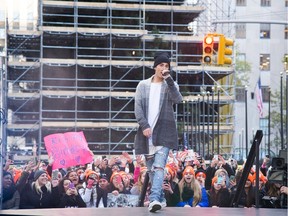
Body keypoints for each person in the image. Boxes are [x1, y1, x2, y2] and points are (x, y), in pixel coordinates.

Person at [134, 51, 183, 212]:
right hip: (146, 134)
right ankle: (160, 199)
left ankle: (154, 198)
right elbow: (138, 108)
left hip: (165, 132)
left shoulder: (170, 85)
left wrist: (169, 79)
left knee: (159, 167)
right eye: (161, 65)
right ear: (155, 67)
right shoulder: (143, 85)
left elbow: (178, 99)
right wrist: (144, 125)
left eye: (167, 65)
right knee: (151, 170)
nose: (164, 68)